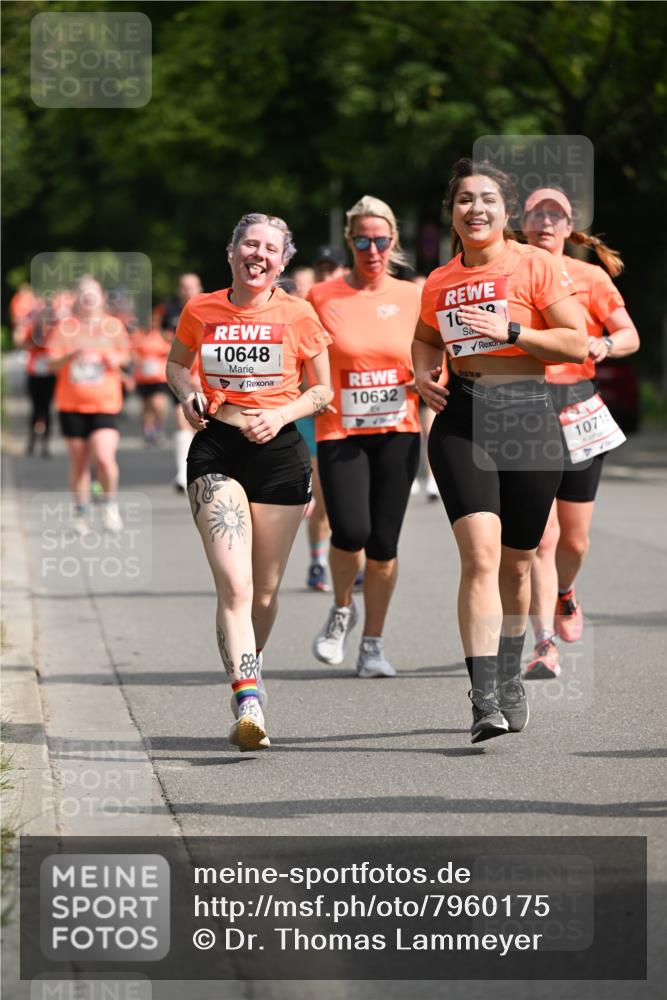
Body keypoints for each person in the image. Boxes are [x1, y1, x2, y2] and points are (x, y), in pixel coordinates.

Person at [413, 159, 587, 743]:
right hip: (463, 419)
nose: (476, 209)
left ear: (506, 211)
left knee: (517, 565)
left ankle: (510, 672)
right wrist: (420, 374)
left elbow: (573, 342)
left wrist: (509, 332)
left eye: (487, 199)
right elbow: (424, 337)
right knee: (480, 557)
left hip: (528, 418)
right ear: (452, 211)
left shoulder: (535, 265)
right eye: (465, 199)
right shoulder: (439, 280)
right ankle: (483, 695)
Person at [166, 213, 332, 752]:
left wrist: (283, 414)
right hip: (218, 447)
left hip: (281, 456)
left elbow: (323, 390)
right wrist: (187, 393)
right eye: (250, 244)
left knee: (263, 590)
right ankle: (248, 700)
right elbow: (175, 365)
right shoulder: (201, 309)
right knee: (234, 585)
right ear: (232, 251)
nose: (259, 255)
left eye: (271, 249)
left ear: (283, 262)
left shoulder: (299, 313)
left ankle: (248, 669)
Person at [521, 188, 640, 678]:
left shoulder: (589, 276)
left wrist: (603, 343)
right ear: (522, 223)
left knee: (573, 543)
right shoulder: (511, 272)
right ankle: (543, 645)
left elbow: (630, 335)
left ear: (570, 228)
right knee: (540, 540)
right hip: (523, 407)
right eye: (537, 214)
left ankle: (565, 594)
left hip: (577, 405)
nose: (547, 222)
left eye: (557, 215)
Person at [309, 195, 421, 678]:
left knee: (383, 544)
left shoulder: (415, 294)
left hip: (399, 428)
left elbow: (436, 353)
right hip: (340, 428)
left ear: (393, 241)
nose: (371, 249)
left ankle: (372, 644)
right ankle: (339, 610)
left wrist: (428, 376)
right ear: (350, 241)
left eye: (380, 240)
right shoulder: (322, 296)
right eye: (361, 240)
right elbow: (300, 355)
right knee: (350, 531)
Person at [47, 276, 131, 534]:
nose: (88, 298)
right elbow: (51, 364)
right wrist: (71, 355)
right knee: (80, 462)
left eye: (92, 293)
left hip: (105, 403)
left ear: (101, 298)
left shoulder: (113, 326)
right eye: (83, 294)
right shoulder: (64, 328)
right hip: (71, 404)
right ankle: (80, 512)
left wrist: (110, 358)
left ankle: (109, 505)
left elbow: (125, 356)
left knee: (104, 458)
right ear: (77, 299)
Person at [161, 273, 204, 491]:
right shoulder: (170, 311)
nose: (188, 291)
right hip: (182, 370)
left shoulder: (209, 308)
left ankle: (202, 468)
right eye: (184, 287)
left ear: (199, 288)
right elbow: (165, 337)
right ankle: (182, 474)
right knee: (182, 416)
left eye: (192, 287)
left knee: (202, 423)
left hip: (206, 376)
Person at [130, 325, 172, 444]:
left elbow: (173, 350)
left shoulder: (163, 335)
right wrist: (142, 361)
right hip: (143, 377)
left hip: (159, 377)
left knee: (158, 404)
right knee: (147, 406)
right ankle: (148, 432)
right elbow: (132, 352)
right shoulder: (138, 335)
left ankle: (159, 429)